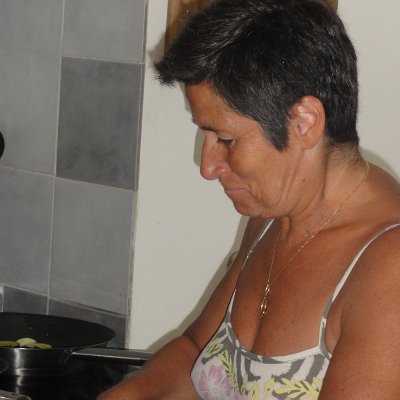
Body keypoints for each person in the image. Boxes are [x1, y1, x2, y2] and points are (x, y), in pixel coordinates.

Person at [98, 0, 400, 399]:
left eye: (225, 139)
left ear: (304, 122)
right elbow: (195, 352)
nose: (207, 166)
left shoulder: (389, 270)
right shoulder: (272, 216)